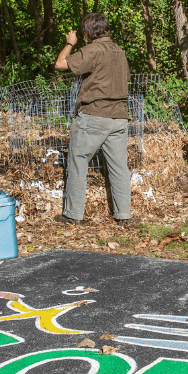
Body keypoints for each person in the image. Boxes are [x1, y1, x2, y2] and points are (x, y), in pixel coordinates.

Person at [54, 12, 131, 226]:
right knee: (119, 167)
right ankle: (123, 215)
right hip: (119, 116)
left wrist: (70, 43)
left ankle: (73, 215)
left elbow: (60, 64)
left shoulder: (92, 50)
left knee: (78, 162)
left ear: (88, 32)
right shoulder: (120, 51)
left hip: (94, 115)